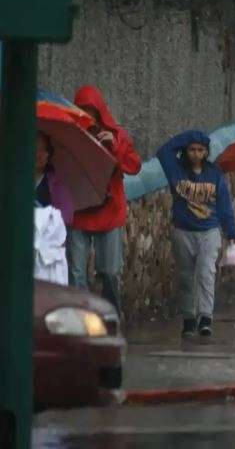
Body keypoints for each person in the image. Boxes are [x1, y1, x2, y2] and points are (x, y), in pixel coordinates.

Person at [68, 86, 142, 314]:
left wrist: (116, 145)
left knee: (109, 271)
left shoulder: (117, 135)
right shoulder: (70, 134)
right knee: (77, 272)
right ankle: (81, 317)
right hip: (79, 211)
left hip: (109, 212)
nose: (88, 115)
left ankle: (111, 314)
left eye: (92, 110)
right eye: (83, 110)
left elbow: (134, 166)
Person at [158, 130, 235, 338]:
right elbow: (163, 152)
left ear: (206, 151)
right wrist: (189, 137)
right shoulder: (176, 170)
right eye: (192, 149)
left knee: (206, 272)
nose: (195, 154)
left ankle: (205, 317)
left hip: (209, 231)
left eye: (200, 150)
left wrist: (231, 232)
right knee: (186, 277)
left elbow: (224, 205)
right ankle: (188, 319)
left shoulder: (214, 174)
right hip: (183, 231)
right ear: (186, 150)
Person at [34, 132, 74, 225]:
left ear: (49, 154)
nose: (37, 154)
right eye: (33, 148)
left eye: (43, 149)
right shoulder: (15, 182)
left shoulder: (57, 187)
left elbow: (66, 218)